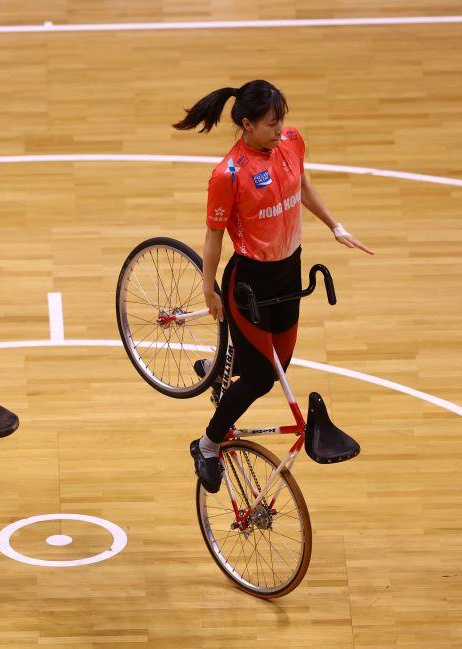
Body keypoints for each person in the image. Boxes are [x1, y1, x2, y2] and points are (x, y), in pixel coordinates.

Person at [173, 80, 373, 493]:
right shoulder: (228, 175)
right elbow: (213, 237)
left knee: (281, 357)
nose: (280, 129)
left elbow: (302, 186)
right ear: (246, 125)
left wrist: (335, 226)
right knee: (262, 379)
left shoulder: (292, 142)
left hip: (289, 272)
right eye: (271, 123)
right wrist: (208, 289)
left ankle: (221, 368)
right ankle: (207, 446)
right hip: (250, 281)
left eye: (281, 119)